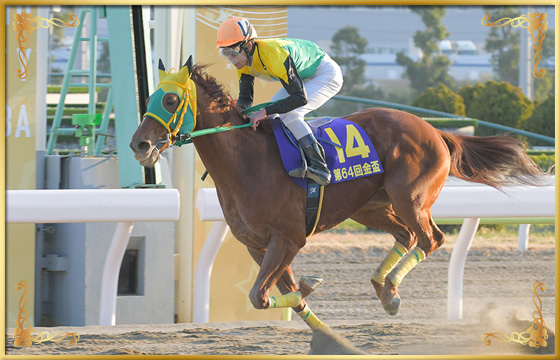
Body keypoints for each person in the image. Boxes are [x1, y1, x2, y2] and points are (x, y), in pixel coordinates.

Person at [216, 16, 343, 186]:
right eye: (226, 54)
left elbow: (299, 98)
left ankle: (320, 166)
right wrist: (234, 115)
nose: (231, 59)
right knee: (273, 114)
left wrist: (263, 111)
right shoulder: (243, 63)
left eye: (233, 53)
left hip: (324, 73)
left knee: (291, 114)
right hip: (302, 76)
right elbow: (246, 100)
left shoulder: (273, 55)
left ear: (248, 45)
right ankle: (292, 158)